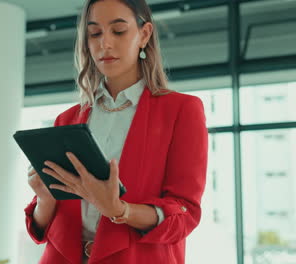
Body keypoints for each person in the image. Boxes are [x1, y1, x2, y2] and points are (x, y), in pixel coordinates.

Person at [25, 0, 208, 263]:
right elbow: (44, 228)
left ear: (144, 34)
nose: (105, 44)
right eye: (95, 33)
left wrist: (120, 210)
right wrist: (45, 198)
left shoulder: (182, 110)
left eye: (118, 31)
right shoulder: (67, 119)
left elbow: (185, 214)